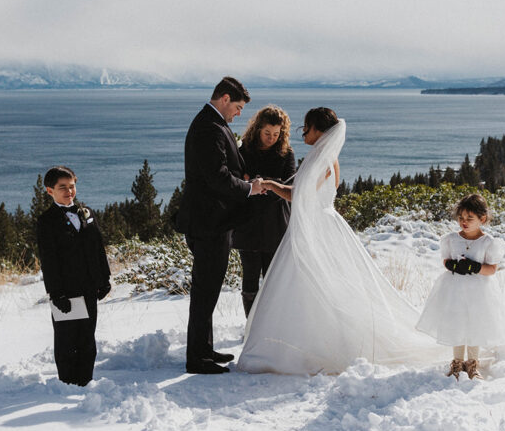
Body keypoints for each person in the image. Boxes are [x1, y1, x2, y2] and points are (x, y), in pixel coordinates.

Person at [238, 108, 443, 375]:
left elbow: (299, 194)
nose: (303, 133)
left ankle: (316, 346)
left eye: (308, 128)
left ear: (319, 131)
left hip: (318, 227)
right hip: (318, 224)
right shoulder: (325, 156)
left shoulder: (323, 158)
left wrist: (269, 184)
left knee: (317, 286)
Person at [175, 77, 264, 374]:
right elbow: (218, 177)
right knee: (204, 291)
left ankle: (204, 348)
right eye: (237, 107)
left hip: (216, 221)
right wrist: (250, 188)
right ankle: (197, 359)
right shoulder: (207, 128)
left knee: (209, 290)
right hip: (207, 222)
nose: (238, 114)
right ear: (224, 98)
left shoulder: (214, 125)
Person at [416, 193, 505, 380]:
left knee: (475, 325)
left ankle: (472, 363)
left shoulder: (488, 242)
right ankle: (457, 362)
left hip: (479, 292)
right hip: (455, 290)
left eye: (470, 218)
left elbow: (492, 269)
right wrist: (451, 265)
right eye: (461, 218)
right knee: (457, 323)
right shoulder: (451, 239)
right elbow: (446, 259)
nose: (464, 222)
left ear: (482, 219)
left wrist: (474, 267)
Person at [35, 166, 112, 386]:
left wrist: (104, 279)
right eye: (62, 188)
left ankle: (86, 381)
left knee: (87, 337)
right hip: (66, 290)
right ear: (50, 191)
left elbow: (98, 248)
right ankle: (67, 384)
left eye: (72, 186)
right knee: (67, 339)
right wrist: (56, 294)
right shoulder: (47, 221)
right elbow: (48, 261)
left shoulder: (85, 213)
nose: (69, 192)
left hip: (89, 287)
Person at [231, 105, 296, 318]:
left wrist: (261, 183)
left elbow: (290, 187)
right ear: (257, 129)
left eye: (276, 134)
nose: (271, 138)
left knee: (273, 281)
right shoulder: (244, 151)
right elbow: (238, 184)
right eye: (267, 133)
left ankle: (269, 328)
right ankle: (250, 327)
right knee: (249, 280)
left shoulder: (286, 154)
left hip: (276, 224)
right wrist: (267, 185)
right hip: (248, 224)